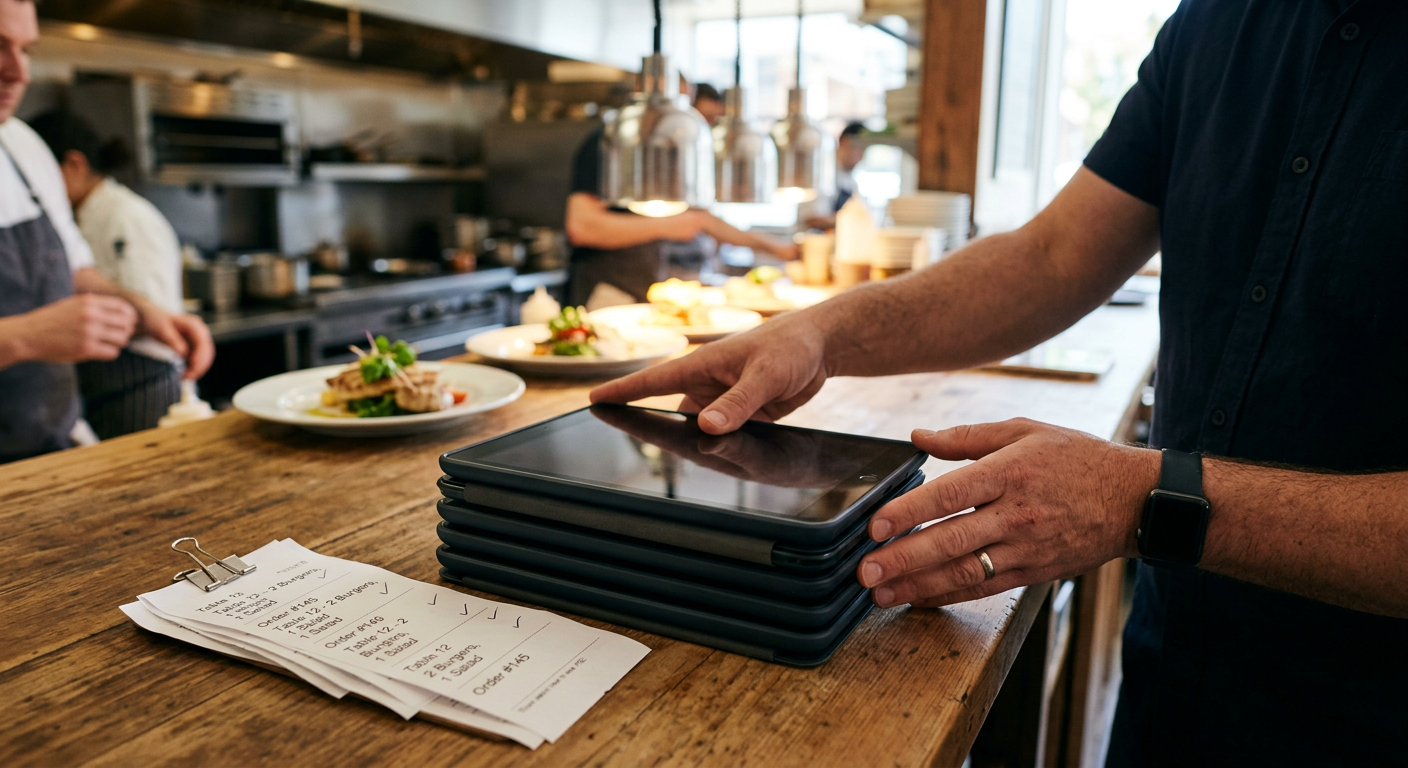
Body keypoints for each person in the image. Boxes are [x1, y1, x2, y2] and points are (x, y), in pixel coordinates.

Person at [592, 1, 1407, 764]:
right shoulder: (1217, 23)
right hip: (1179, 657)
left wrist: (1145, 501)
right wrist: (820, 332)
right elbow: (1052, 256)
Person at [0, 0, 212, 463]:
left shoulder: (23, 147)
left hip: (51, 452)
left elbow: (73, 268)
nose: (19, 72)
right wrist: (25, 336)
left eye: (26, 49)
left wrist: (145, 311)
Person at [30, 109, 190, 438]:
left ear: (75, 164)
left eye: (42, 176)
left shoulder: (126, 217)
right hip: (104, 383)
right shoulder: (84, 217)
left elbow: (153, 312)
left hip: (143, 381)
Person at [566, 117, 798, 307]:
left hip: (665, 303)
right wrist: (667, 225)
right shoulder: (615, 139)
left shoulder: (682, 149)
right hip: (612, 300)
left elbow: (703, 220)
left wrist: (776, 247)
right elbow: (582, 227)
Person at [804, 121, 866, 231]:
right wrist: (853, 218)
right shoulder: (821, 173)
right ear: (845, 142)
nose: (862, 157)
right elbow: (812, 219)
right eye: (860, 149)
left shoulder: (851, 182)